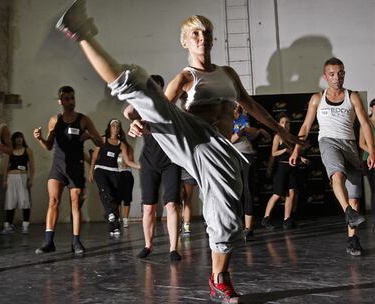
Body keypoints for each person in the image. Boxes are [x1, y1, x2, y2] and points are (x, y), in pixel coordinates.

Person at [55, 4, 300, 302]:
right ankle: (82, 33)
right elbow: (163, 108)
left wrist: (282, 131)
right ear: (185, 41)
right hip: (191, 133)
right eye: (195, 33)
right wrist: (140, 123)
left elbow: (250, 105)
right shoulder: (186, 76)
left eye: (206, 32)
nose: (202, 37)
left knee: (225, 217)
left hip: (219, 150)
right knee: (139, 85)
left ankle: (218, 278)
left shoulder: (228, 73)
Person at [290, 57, 375, 256]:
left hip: (350, 146)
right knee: (337, 175)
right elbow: (305, 127)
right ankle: (348, 212)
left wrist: (371, 151)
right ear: (325, 76)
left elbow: (365, 124)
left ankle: (352, 239)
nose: (337, 78)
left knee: (354, 197)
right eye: (332, 74)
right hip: (328, 141)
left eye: (341, 73)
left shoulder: (352, 97)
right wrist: (295, 150)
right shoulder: (317, 98)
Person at [33, 85, 103, 256]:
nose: (70, 102)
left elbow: (100, 142)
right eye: (67, 99)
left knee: (75, 203)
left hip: (76, 165)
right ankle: (49, 242)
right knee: (53, 201)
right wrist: (40, 138)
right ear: (60, 101)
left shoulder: (83, 120)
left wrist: (90, 136)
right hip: (58, 166)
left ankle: (76, 241)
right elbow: (49, 146)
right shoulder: (54, 120)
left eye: (72, 98)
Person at [124, 74, 182, 261]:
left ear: (161, 89)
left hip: (170, 161)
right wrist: (139, 99)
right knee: (148, 207)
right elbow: (128, 113)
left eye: (155, 88)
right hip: (149, 162)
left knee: (172, 204)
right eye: (150, 88)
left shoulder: (169, 108)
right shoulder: (142, 108)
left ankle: (173, 248)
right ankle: (148, 245)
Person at [88, 119, 139, 236]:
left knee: (115, 199)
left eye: (117, 126)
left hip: (114, 172)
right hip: (100, 169)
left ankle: (114, 226)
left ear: (119, 129)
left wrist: (141, 166)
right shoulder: (103, 139)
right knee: (104, 191)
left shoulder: (122, 144)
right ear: (109, 128)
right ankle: (110, 214)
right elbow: (95, 157)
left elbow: (128, 162)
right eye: (113, 126)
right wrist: (91, 171)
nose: (115, 128)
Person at [231, 103, 271, 239]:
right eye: (234, 104)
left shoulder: (244, 118)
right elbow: (229, 139)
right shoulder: (226, 119)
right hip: (233, 156)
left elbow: (251, 136)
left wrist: (257, 131)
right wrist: (242, 132)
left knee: (247, 189)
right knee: (234, 190)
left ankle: (248, 228)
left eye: (238, 104)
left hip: (247, 155)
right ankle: (235, 225)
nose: (237, 106)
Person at [261, 113, 305, 230]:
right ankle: (266, 219)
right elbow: (274, 153)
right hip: (280, 169)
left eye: (287, 122)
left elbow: (296, 152)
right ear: (279, 124)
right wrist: (285, 149)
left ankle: (287, 220)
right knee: (277, 194)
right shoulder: (278, 136)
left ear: (290, 125)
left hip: (291, 168)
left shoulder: (292, 137)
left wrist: (302, 158)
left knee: (292, 194)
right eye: (282, 122)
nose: (284, 124)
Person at [0, 132, 34, 235]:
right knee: (10, 201)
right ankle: (8, 226)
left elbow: (32, 166)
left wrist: (31, 179)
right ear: (13, 140)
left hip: (23, 177)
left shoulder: (28, 150)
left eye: (21, 138)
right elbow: (6, 167)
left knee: (25, 201)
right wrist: (5, 180)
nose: (19, 140)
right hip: (11, 178)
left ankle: (25, 226)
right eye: (17, 138)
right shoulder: (10, 151)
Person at [359, 98, 375, 227]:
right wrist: (372, 152)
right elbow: (361, 143)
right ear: (371, 108)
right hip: (369, 160)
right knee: (374, 190)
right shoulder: (366, 123)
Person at [118, 140, 135, 228]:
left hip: (126, 174)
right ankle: (117, 218)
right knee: (116, 198)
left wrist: (124, 160)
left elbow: (129, 161)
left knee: (127, 198)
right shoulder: (113, 148)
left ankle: (125, 219)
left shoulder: (129, 148)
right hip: (116, 174)